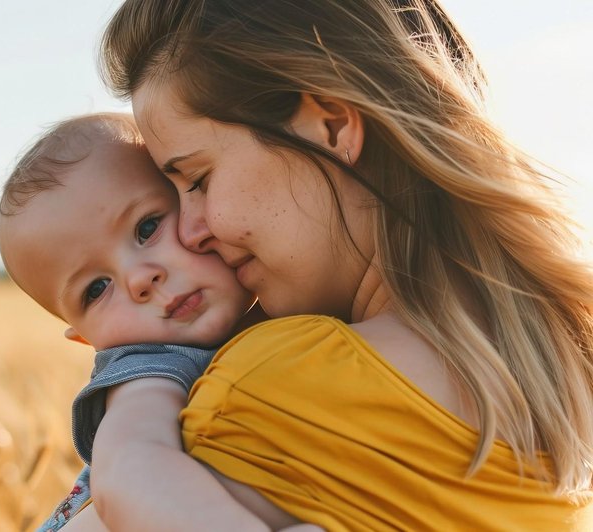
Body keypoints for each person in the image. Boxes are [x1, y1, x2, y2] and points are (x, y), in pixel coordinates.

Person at [74, 0, 593, 529]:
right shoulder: (572, 371)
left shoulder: (275, 384)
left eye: (199, 180)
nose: (190, 231)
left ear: (332, 127)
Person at [0, 113, 322, 531]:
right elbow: (131, 469)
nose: (140, 279)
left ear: (200, 204)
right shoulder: (148, 370)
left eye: (147, 227)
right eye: (96, 289)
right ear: (88, 340)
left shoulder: (296, 311)